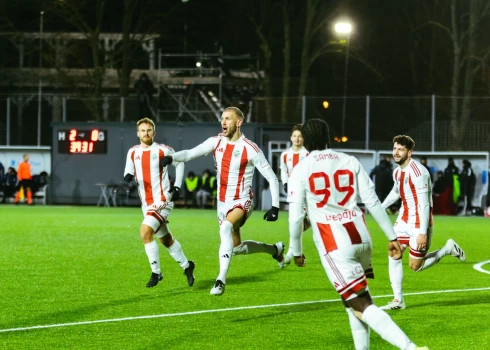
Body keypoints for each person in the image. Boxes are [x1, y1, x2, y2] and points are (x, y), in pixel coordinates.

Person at [287, 119, 428, 350]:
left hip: (335, 244)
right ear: (328, 136)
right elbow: (372, 201)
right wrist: (392, 237)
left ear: (305, 141)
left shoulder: (301, 168)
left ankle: (410, 348)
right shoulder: (348, 160)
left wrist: (297, 251)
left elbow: (294, 218)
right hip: (361, 237)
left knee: (362, 305)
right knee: (353, 303)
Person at [161, 107, 284, 296]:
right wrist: (171, 158)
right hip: (222, 203)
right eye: (222, 118)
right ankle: (274, 249)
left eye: (228, 119)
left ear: (239, 122)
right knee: (236, 248)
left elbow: (272, 178)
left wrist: (275, 206)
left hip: (243, 200)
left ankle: (220, 281)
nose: (223, 122)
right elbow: (189, 154)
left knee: (225, 228)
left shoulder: (250, 149)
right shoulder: (216, 142)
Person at [380, 135, 466, 310]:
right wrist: (380, 207)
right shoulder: (397, 171)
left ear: (409, 153)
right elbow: (397, 192)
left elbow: (424, 205)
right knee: (394, 253)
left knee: (415, 266)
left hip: (420, 221)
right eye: (395, 148)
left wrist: (421, 232)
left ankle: (447, 249)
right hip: (404, 219)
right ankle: (398, 300)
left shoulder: (419, 173)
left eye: (400, 149)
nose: (396, 152)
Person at [123, 117, 195, 288]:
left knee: (145, 232)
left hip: (163, 200)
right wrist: (127, 176)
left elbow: (180, 163)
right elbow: (129, 169)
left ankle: (156, 273)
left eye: (149, 130)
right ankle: (187, 266)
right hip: (146, 204)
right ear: (137, 133)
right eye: (142, 130)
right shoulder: (132, 152)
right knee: (165, 240)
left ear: (154, 132)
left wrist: (176, 187)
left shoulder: (164, 150)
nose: (146, 133)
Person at [279, 124, 309, 265]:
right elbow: (283, 171)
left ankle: (293, 250)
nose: (297, 138)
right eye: (295, 136)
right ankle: (292, 251)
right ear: (291, 138)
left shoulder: (307, 154)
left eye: (300, 136)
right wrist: (285, 183)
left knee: (302, 221)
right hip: (293, 191)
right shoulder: (285, 155)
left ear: (303, 138)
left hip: (307, 191)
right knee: (296, 220)